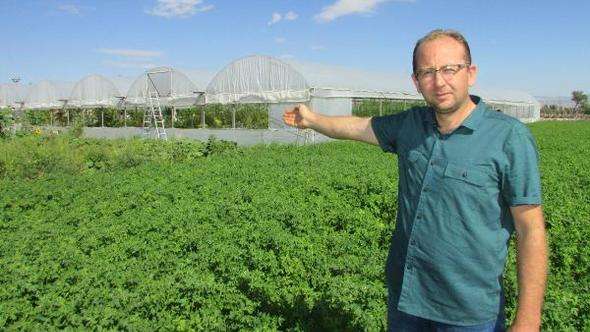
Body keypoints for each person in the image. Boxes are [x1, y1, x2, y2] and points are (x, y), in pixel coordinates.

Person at [283, 29, 547, 332]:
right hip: (407, 300)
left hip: (468, 313)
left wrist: (528, 317)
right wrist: (312, 119)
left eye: (450, 69)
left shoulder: (508, 137)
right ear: (416, 81)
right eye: (428, 72)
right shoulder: (410, 125)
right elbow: (356, 126)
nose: (440, 81)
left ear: (470, 73)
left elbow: (531, 229)